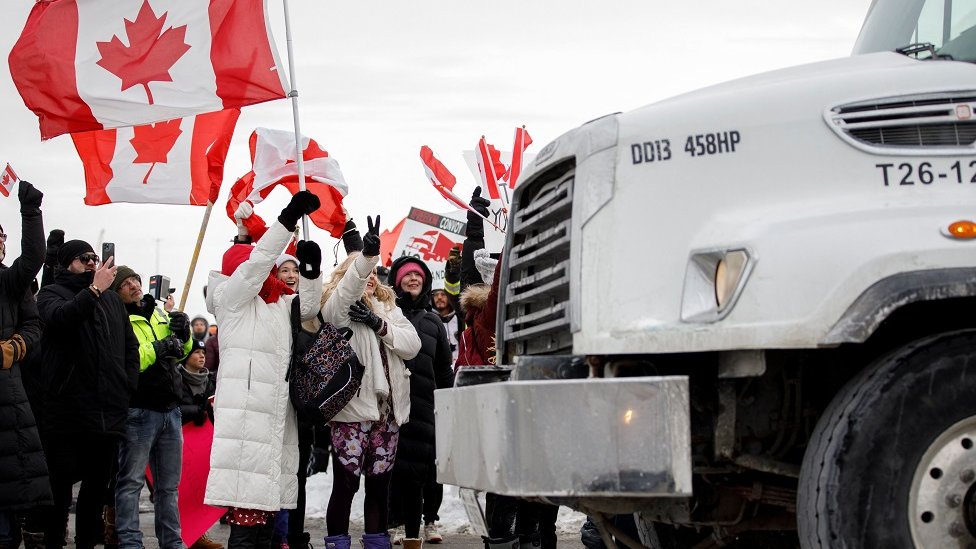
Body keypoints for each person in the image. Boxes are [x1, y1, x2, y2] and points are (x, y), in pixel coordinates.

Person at [204, 192, 323, 549]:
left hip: (275, 417)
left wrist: (312, 272)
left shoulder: (276, 305)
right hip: (245, 420)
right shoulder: (232, 300)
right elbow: (256, 263)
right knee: (247, 514)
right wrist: (286, 220)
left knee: (267, 518)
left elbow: (310, 306)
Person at [316, 216, 421, 549]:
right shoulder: (339, 309)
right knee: (346, 487)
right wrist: (365, 258)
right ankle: (338, 543)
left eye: (375, 272)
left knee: (379, 487)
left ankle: (377, 544)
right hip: (352, 412)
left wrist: (378, 323)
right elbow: (347, 290)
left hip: (388, 414)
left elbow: (412, 345)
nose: (371, 276)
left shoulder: (388, 309)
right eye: (365, 271)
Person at [37, 240, 137, 549]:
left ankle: (86, 543)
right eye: (85, 258)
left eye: (95, 257)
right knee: (60, 490)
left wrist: (126, 388)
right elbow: (63, 318)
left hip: (106, 411)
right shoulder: (51, 294)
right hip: (66, 413)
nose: (93, 263)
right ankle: (54, 541)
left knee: (95, 490)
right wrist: (93, 290)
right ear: (68, 263)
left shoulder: (111, 301)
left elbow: (130, 348)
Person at [110, 266, 193, 549]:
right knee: (131, 482)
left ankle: (172, 541)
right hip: (138, 410)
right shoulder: (117, 318)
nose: (134, 285)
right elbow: (128, 360)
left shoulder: (157, 312)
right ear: (115, 291)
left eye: (136, 280)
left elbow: (181, 354)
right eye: (126, 283)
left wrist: (185, 332)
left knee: (168, 487)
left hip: (170, 409)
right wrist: (159, 347)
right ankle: (131, 542)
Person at [385, 257, 454, 549]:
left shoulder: (434, 322)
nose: (413, 278)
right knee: (391, 467)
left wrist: (448, 404)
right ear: (397, 280)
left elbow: (443, 369)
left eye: (418, 275)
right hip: (391, 403)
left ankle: (422, 524)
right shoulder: (387, 315)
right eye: (407, 274)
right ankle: (394, 523)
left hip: (425, 405)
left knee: (421, 468)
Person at [0, 182, 50, 549]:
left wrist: (30, 212)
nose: (1, 242)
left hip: (6, 399)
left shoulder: (9, 281)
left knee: (6, 506)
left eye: (1, 237)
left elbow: (34, 326)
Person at [176, 339, 223, 549]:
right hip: (180, 442)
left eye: (203, 352)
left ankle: (199, 534)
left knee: (200, 488)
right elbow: (173, 408)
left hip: (204, 444)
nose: (201, 356)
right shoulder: (176, 378)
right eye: (196, 352)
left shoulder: (210, 380)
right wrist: (194, 412)